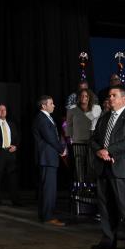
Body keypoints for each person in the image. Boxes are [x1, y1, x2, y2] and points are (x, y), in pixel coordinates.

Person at [90, 85, 125, 249]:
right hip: (103, 168)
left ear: (123, 99)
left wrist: (110, 150)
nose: (110, 98)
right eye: (109, 95)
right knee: (106, 207)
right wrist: (99, 150)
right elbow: (94, 139)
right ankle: (108, 240)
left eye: (114, 95)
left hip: (124, 169)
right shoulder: (104, 118)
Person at [32, 95, 67, 227]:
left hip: (48, 158)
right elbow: (50, 138)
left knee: (47, 188)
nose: (54, 105)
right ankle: (48, 217)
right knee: (49, 189)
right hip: (47, 158)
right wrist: (61, 149)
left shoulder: (47, 117)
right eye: (51, 103)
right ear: (43, 105)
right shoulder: (42, 119)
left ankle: (44, 215)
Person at [66, 88, 102, 206]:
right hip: (77, 141)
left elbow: (100, 124)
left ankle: (91, 187)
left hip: (92, 142)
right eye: (81, 96)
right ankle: (80, 186)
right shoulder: (72, 109)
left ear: (90, 97)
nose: (84, 98)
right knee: (79, 164)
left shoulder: (97, 108)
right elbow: (69, 126)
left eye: (86, 96)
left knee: (91, 164)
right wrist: (69, 139)